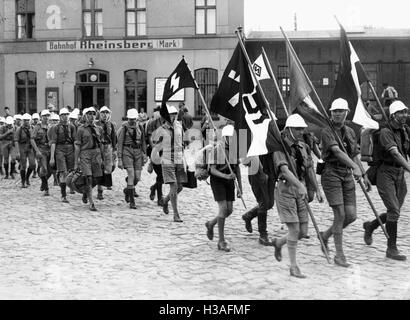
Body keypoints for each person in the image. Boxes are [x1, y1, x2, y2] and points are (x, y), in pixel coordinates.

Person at [319, 98, 371, 267]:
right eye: (335, 111)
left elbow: (354, 153)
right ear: (331, 113)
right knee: (340, 215)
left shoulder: (349, 131)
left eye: (341, 111)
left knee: (351, 216)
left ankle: (325, 235)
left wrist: (363, 174)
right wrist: (354, 167)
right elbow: (337, 151)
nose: (337, 113)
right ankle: (339, 255)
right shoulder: (327, 131)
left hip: (347, 174)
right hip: (331, 173)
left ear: (347, 113)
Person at [271, 114, 322, 278]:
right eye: (297, 129)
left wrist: (317, 188)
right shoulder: (279, 147)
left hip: (301, 189)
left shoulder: (303, 146)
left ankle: (278, 243)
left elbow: (309, 169)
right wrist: (299, 186)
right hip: (286, 189)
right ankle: (293, 267)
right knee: (294, 229)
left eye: (302, 129)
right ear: (288, 129)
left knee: (302, 231)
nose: (301, 132)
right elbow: (284, 170)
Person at [362, 101, 410, 261]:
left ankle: (371, 225)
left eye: (405, 112)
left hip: (399, 173)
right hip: (386, 173)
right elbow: (395, 154)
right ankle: (391, 248)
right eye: (401, 112)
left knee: (393, 211)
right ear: (393, 115)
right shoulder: (385, 132)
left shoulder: (404, 130)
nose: (404, 115)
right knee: (394, 210)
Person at [204, 124, 242, 251]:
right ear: (225, 137)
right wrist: (225, 177)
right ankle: (221, 241)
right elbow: (212, 170)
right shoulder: (217, 150)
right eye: (229, 137)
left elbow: (237, 169)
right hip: (218, 180)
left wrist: (240, 188)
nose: (232, 140)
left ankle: (211, 224)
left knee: (229, 210)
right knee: (223, 208)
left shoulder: (235, 150)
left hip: (229, 180)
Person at [157, 105, 187, 222]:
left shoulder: (180, 126)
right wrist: (151, 161)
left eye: (174, 114)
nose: (173, 116)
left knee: (179, 187)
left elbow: (183, 142)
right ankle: (176, 214)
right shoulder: (162, 129)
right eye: (170, 114)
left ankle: (165, 200)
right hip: (167, 159)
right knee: (174, 186)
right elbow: (156, 146)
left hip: (179, 158)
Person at [241, 155, 276, 246]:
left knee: (270, 203)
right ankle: (263, 235)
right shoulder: (251, 142)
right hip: (257, 172)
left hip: (270, 169)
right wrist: (260, 171)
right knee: (264, 202)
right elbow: (245, 159)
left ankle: (249, 215)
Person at [117, 108, 147, 209]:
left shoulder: (140, 127)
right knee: (131, 174)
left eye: (134, 119)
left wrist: (144, 154)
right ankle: (132, 201)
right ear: (128, 118)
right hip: (127, 151)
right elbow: (120, 143)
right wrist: (120, 158)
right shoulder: (123, 128)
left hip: (138, 152)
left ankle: (127, 190)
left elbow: (143, 141)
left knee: (137, 177)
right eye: (130, 119)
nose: (132, 121)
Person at [74, 107, 103, 211]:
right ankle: (91, 202)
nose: (91, 116)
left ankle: (86, 191)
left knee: (97, 178)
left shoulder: (99, 128)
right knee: (89, 177)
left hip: (96, 153)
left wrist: (102, 157)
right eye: (89, 114)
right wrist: (76, 161)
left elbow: (101, 144)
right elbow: (77, 145)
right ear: (85, 116)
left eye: (93, 114)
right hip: (85, 154)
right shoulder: (81, 129)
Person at [49, 108, 76, 203]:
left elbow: (75, 141)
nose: (65, 116)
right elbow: (53, 143)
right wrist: (52, 157)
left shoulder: (72, 127)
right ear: (60, 116)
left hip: (70, 149)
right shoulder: (55, 127)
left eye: (67, 114)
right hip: (60, 149)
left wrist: (77, 155)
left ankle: (71, 186)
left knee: (71, 171)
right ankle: (63, 195)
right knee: (62, 171)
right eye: (63, 115)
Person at [95, 106, 117, 200]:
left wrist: (115, 150)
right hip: (98, 147)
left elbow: (114, 137)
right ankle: (100, 191)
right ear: (100, 114)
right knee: (99, 168)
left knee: (109, 168)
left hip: (108, 147)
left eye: (106, 113)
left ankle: (106, 183)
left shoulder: (112, 124)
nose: (105, 115)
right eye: (103, 113)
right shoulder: (96, 124)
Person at [30, 109, 52, 196]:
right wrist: (37, 151)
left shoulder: (51, 126)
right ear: (41, 117)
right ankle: (46, 188)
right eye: (44, 116)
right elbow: (32, 139)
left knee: (51, 170)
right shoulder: (37, 127)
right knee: (44, 168)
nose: (46, 117)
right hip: (41, 149)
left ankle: (43, 181)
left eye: (48, 116)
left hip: (49, 149)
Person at [146, 106, 164, 206]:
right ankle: (160, 197)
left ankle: (154, 188)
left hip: (165, 151)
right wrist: (154, 147)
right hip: (155, 151)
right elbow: (149, 136)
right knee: (160, 174)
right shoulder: (153, 123)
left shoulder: (168, 123)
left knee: (163, 176)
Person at [14, 113, 36, 188]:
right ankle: (23, 182)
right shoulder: (19, 129)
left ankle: (27, 177)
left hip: (30, 147)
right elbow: (16, 140)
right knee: (23, 165)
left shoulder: (32, 128)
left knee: (32, 164)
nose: (26, 121)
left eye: (28, 120)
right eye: (25, 120)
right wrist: (17, 152)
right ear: (23, 121)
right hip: (22, 147)